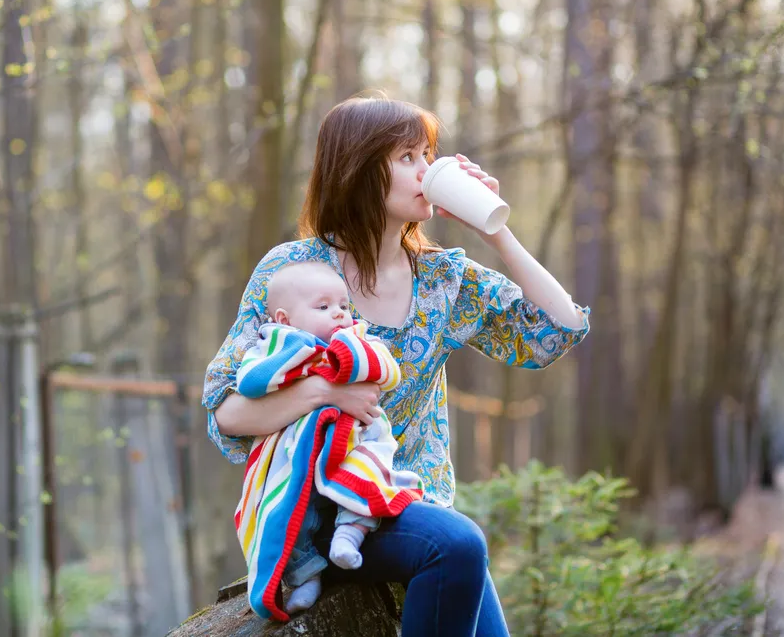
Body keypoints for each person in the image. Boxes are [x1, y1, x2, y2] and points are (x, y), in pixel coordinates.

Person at [203, 94, 590, 636]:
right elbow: (225, 412)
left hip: (414, 506)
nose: (426, 170)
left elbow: (556, 333)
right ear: (359, 171)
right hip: (323, 509)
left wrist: (494, 228)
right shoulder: (293, 271)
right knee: (457, 544)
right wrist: (326, 393)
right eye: (408, 157)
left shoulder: (442, 279)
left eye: (428, 155)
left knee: (456, 547)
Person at [236, 260, 423, 616]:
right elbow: (251, 382)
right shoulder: (274, 347)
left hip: (355, 442)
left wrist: (343, 355)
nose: (338, 314)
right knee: (292, 514)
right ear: (284, 319)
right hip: (298, 455)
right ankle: (306, 575)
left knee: (366, 478)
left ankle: (349, 535)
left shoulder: (355, 340)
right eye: (323, 307)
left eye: (343, 305)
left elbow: (388, 371)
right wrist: (301, 354)